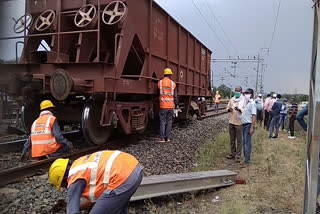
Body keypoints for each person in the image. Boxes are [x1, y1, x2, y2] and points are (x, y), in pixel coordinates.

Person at [48, 150, 143, 214]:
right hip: (134, 168)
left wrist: (71, 207)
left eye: (64, 186)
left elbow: (72, 212)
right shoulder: (80, 165)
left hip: (122, 178)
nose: (67, 187)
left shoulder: (73, 179)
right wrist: (75, 206)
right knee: (118, 208)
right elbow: (99, 202)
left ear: (64, 179)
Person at [226, 86, 246, 163]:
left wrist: (240, 109)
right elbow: (228, 107)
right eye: (235, 90)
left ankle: (238, 156)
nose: (236, 92)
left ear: (241, 91)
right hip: (231, 121)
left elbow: (245, 109)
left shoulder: (243, 100)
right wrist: (229, 109)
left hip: (239, 123)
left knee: (239, 140)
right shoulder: (232, 99)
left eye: (237, 91)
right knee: (232, 139)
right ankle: (232, 153)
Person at [158, 68, 178, 143]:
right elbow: (175, 96)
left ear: (164, 74)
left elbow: (159, 90)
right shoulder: (173, 84)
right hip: (170, 106)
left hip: (163, 106)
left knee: (163, 121)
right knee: (169, 121)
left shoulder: (160, 83)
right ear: (170, 75)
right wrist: (176, 104)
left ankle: (162, 138)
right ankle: (168, 138)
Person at [240, 88, 256, 168]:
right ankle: (245, 159)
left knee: (247, 144)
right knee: (244, 143)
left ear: (251, 95)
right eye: (245, 93)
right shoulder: (248, 103)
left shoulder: (252, 103)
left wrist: (252, 127)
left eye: (247, 93)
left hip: (248, 125)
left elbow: (254, 116)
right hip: (244, 125)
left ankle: (247, 161)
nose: (245, 94)